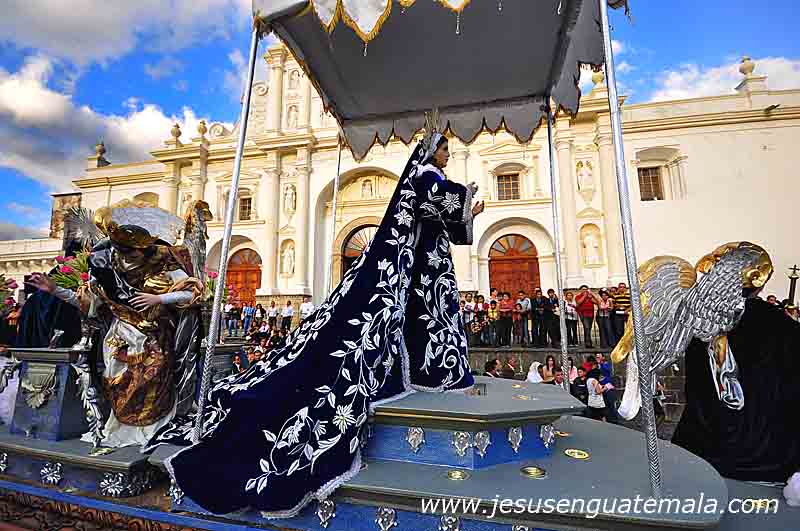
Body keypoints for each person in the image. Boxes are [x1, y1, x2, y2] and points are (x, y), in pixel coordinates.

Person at [146, 132, 486, 516]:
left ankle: (431, 371)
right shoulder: (425, 175)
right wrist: (462, 199)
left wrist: (467, 213)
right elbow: (435, 200)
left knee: (423, 317)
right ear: (431, 151)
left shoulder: (430, 178)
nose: (448, 154)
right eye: (444, 148)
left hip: (423, 263)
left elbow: (437, 216)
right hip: (420, 264)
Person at [27, 201, 203, 448]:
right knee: (115, 380)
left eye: (132, 255)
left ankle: (151, 427)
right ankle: (122, 426)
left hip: (153, 335)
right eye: (122, 253)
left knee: (151, 378)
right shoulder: (104, 266)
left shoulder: (164, 260)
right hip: (118, 336)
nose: (126, 259)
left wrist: (159, 298)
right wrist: (54, 289)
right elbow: (88, 302)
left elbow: (192, 293)